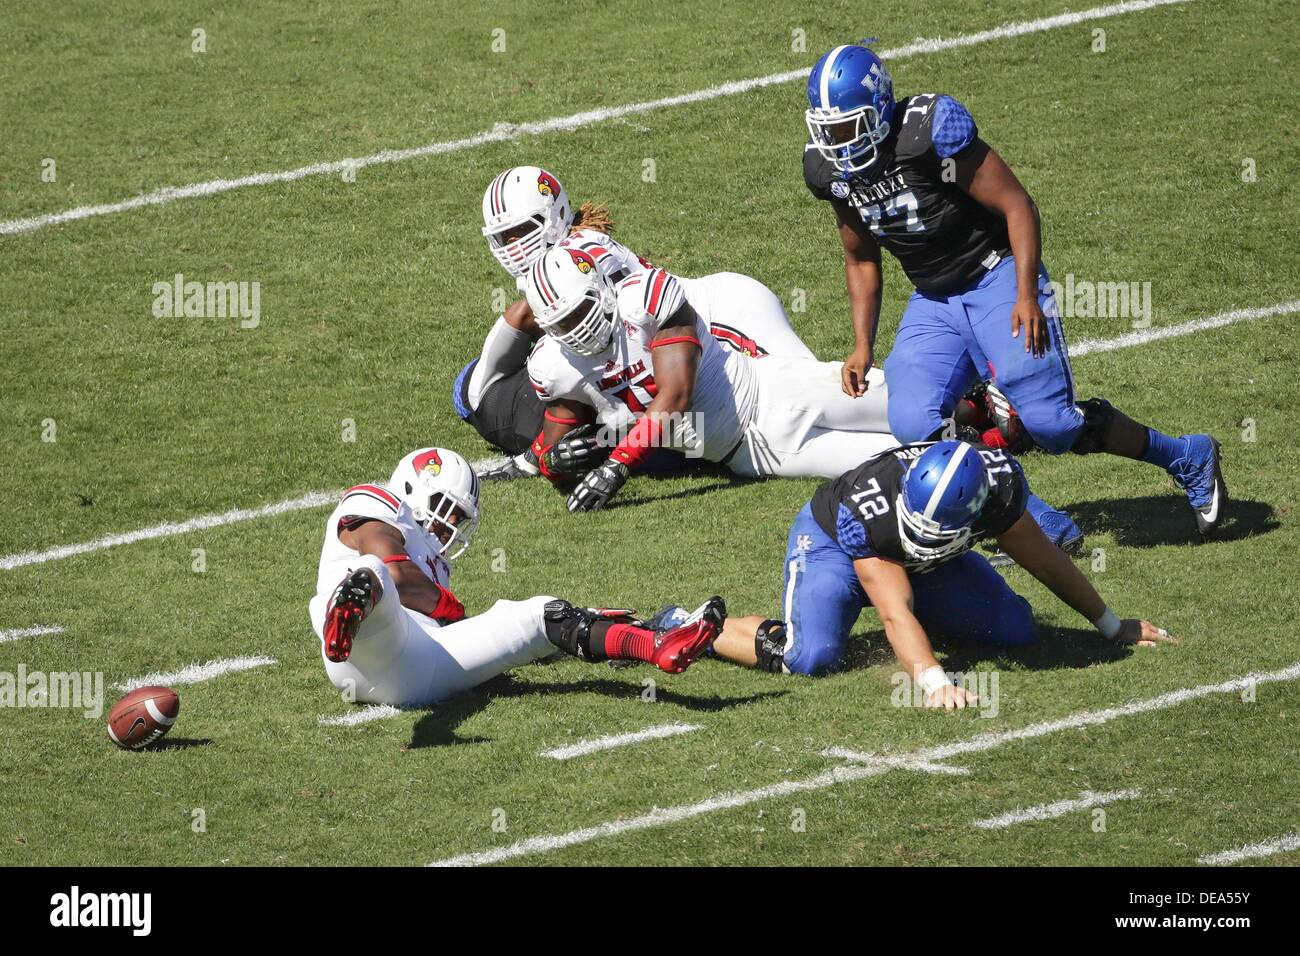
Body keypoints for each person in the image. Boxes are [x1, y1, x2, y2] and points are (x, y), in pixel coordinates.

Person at [802, 43, 1226, 537]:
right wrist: (862, 344)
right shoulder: (829, 170)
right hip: (934, 300)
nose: (836, 141)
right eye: (827, 129)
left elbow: (1018, 205)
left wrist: (1026, 294)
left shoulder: (928, 131)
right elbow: (860, 256)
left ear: (879, 108)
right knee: (913, 422)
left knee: (1053, 425)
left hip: (996, 274)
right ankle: (1034, 520)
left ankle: (1185, 455)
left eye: (847, 126)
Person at [709, 440, 1175, 703]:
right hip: (838, 545)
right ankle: (692, 626)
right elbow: (895, 612)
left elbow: (1046, 561)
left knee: (1016, 630)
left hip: (928, 561)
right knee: (811, 657)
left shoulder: (998, 490)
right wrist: (935, 682)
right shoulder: (871, 512)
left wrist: (1111, 625)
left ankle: (937, 615)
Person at [455, 165, 816, 477]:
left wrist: (489, 400)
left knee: (796, 405)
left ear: (554, 216)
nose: (513, 246)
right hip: (692, 337)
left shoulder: (580, 255)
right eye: (503, 238)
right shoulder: (555, 262)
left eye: (523, 231)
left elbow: (526, 316)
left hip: (724, 321)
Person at [307, 445, 725, 705]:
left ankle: (653, 644)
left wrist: (574, 631)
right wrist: (448, 606)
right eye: (443, 506)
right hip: (367, 642)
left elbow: (445, 623)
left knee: (538, 614)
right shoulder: (377, 505)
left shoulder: (439, 566)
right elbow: (395, 571)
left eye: (458, 516)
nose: (449, 522)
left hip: (417, 672)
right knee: (372, 572)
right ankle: (349, 612)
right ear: (413, 487)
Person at [522, 246, 899, 511]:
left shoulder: (644, 299)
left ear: (601, 290)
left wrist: (617, 463)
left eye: (580, 312)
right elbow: (554, 452)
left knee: (917, 411)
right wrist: (557, 462)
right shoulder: (555, 367)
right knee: (889, 461)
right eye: (561, 324)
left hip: (776, 392)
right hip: (753, 456)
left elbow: (676, 395)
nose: (576, 329)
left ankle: (961, 412)